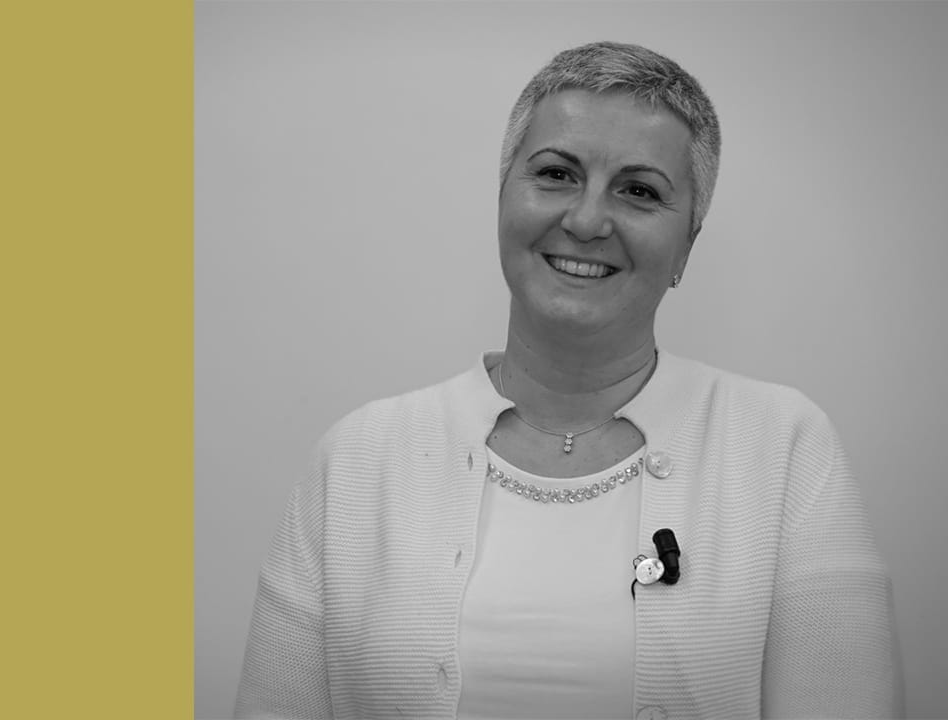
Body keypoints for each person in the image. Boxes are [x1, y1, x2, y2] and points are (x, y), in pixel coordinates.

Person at [234, 41, 900, 720]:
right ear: (503, 200)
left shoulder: (783, 448)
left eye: (639, 191)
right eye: (556, 174)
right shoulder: (358, 459)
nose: (585, 220)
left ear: (687, 246)